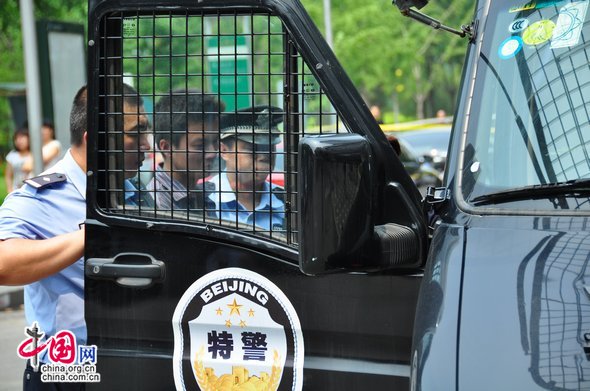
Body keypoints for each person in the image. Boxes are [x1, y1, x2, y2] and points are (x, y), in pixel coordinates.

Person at [205, 105, 285, 230]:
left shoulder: (286, 201)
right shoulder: (203, 199)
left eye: (269, 147)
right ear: (224, 150)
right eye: (253, 148)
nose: (264, 156)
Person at [146, 90, 220, 209]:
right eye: (200, 145)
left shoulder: (202, 194)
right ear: (167, 147)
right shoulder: (156, 204)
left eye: (215, 142)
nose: (212, 153)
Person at [5, 128, 32, 193]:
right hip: (16, 190)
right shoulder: (12, 155)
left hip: (32, 189)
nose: (19, 141)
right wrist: (9, 190)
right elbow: (8, 175)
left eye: (22, 138)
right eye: (16, 138)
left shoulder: (35, 154)